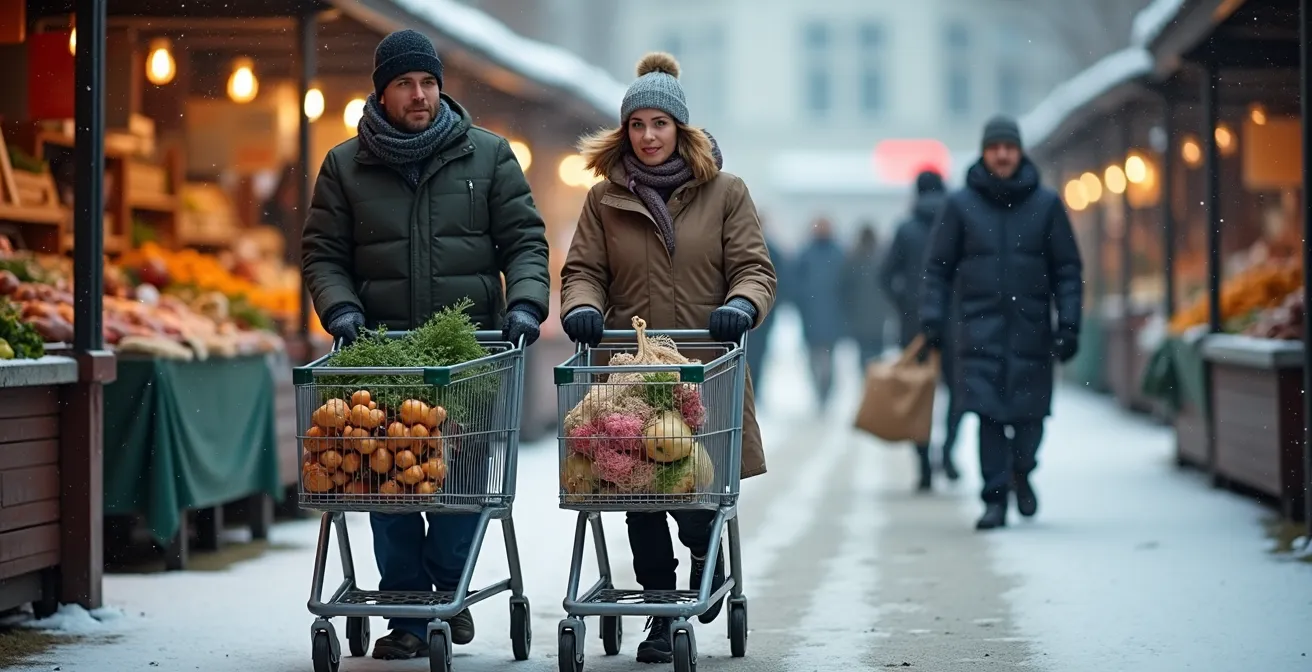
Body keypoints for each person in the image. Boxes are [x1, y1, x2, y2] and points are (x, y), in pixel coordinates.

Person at [300, 29, 550, 659]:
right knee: (388, 484)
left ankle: (449, 585)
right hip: (382, 359)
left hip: (469, 353)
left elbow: (525, 241)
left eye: (429, 83)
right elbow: (324, 254)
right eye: (406, 84)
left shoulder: (489, 156)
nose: (420, 95)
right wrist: (343, 310)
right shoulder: (345, 165)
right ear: (381, 93)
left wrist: (523, 302)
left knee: (463, 485)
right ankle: (410, 611)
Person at [559, 52, 776, 664]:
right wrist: (581, 306)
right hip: (629, 377)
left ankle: (707, 558)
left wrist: (740, 305)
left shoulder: (726, 193)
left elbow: (755, 269)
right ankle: (660, 608)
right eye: (637, 125)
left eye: (660, 123)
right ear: (624, 131)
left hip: (707, 373)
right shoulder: (603, 200)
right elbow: (583, 272)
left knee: (696, 492)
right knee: (638, 489)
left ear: (680, 128)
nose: (648, 136)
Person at [919, 116, 1083, 530]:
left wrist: (1069, 324)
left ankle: (1021, 472)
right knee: (988, 417)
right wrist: (933, 319)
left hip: (1032, 332)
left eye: (1009, 147)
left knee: (1030, 420)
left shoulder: (1046, 205)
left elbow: (1067, 270)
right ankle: (994, 499)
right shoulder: (959, 205)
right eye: (995, 147)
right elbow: (937, 268)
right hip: (978, 332)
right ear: (984, 151)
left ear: (1020, 151)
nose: (1003, 154)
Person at [880, 170, 962, 489]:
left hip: (915, 326)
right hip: (957, 323)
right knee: (958, 392)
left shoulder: (906, 229)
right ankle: (949, 449)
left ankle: (924, 464)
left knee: (918, 396)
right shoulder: (959, 225)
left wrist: (906, 300)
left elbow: (885, 275)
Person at [792, 216, 847, 408]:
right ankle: (819, 389)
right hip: (811, 315)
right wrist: (802, 300)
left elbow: (846, 284)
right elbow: (794, 282)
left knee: (828, 357)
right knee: (814, 357)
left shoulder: (839, 253)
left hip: (832, 315)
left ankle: (826, 390)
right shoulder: (806, 253)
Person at [744, 214, 787, 391]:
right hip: (760, 311)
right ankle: (752, 387)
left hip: (763, 312)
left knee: (754, 354)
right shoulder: (771, 250)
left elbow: (781, 282)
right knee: (752, 354)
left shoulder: (771, 250)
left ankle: (754, 388)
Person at [842, 222, 890, 369]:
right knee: (877, 352)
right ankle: (875, 381)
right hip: (878, 316)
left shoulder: (853, 258)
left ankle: (867, 379)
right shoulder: (882, 258)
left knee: (863, 352)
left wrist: (849, 309)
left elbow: (846, 288)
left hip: (860, 315)